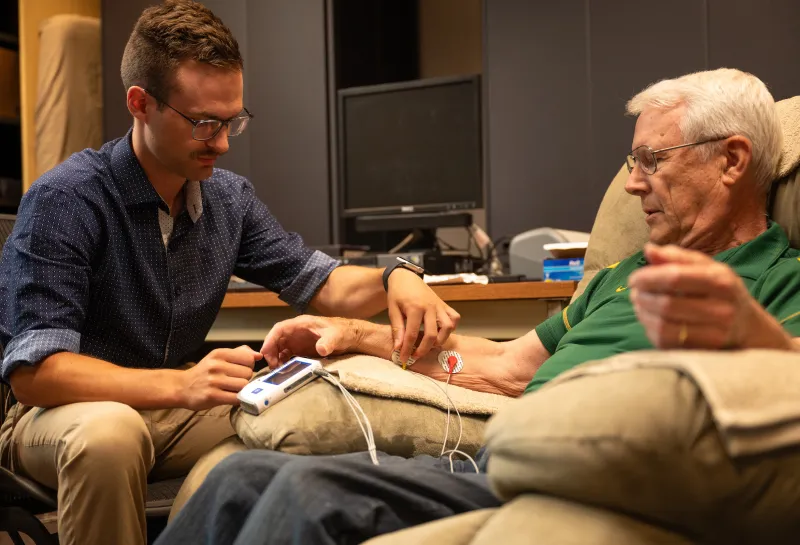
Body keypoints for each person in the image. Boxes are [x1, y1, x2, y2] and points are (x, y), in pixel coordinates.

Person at [154, 67, 800, 545]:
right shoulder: (622, 275)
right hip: (501, 457)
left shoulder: (780, 280)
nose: (633, 183)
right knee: (238, 475)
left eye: (651, 161)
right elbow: (506, 366)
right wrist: (354, 334)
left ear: (731, 160)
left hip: (577, 477)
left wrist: (749, 333)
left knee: (307, 490)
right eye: (633, 161)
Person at [0, 2, 460, 545]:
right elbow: (36, 373)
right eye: (203, 123)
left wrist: (397, 277)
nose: (220, 142)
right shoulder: (67, 198)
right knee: (110, 434)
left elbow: (323, 283)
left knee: (310, 411)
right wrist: (181, 384)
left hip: (172, 409)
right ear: (140, 104)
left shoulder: (227, 199)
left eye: (231, 121)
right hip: (60, 415)